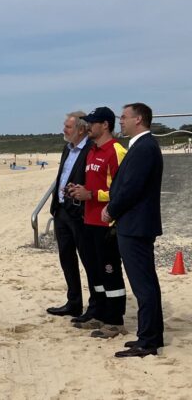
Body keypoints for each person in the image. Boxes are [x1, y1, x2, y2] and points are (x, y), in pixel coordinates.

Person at [102, 103, 164, 358]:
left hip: (136, 225)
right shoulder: (140, 146)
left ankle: (148, 340)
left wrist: (111, 210)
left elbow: (131, 188)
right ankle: (149, 334)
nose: (121, 121)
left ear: (138, 119)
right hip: (135, 224)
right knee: (145, 282)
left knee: (143, 284)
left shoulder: (144, 147)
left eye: (124, 117)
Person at [67, 107, 127, 339]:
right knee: (96, 273)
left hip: (107, 224)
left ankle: (115, 321)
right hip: (88, 220)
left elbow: (122, 192)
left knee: (110, 272)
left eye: (92, 123)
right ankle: (100, 314)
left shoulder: (116, 151)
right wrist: (77, 191)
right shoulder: (92, 150)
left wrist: (92, 195)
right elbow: (91, 185)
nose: (88, 126)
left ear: (105, 125)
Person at [47, 111, 99, 321]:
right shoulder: (66, 149)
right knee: (66, 258)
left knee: (89, 260)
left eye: (68, 127)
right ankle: (74, 302)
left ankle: (95, 304)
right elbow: (62, 176)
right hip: (61, 211)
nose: (64, 130)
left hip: (79, 213)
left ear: (80, 129)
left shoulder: (90, 149)